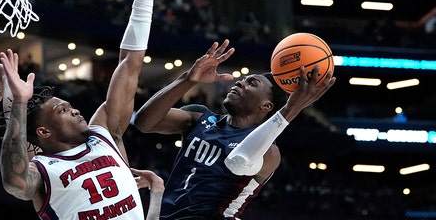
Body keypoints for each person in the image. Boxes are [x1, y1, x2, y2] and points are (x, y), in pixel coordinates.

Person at [0, 0, 172, 220]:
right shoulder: (43, 169)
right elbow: (14, 181)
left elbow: (130, 65)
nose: (75, 109)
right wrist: (17, 100)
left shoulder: (106, 135)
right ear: (44, 132)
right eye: (62, 110)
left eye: (69, 105)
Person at [133, 40, 335, 219]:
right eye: (244, 79)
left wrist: (291, 110)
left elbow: (239, 161)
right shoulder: (199, 118)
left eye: (251, 83)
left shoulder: (269, 152)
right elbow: (144, 122)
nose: (240, 82)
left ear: (266, 106)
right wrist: (188, 79)